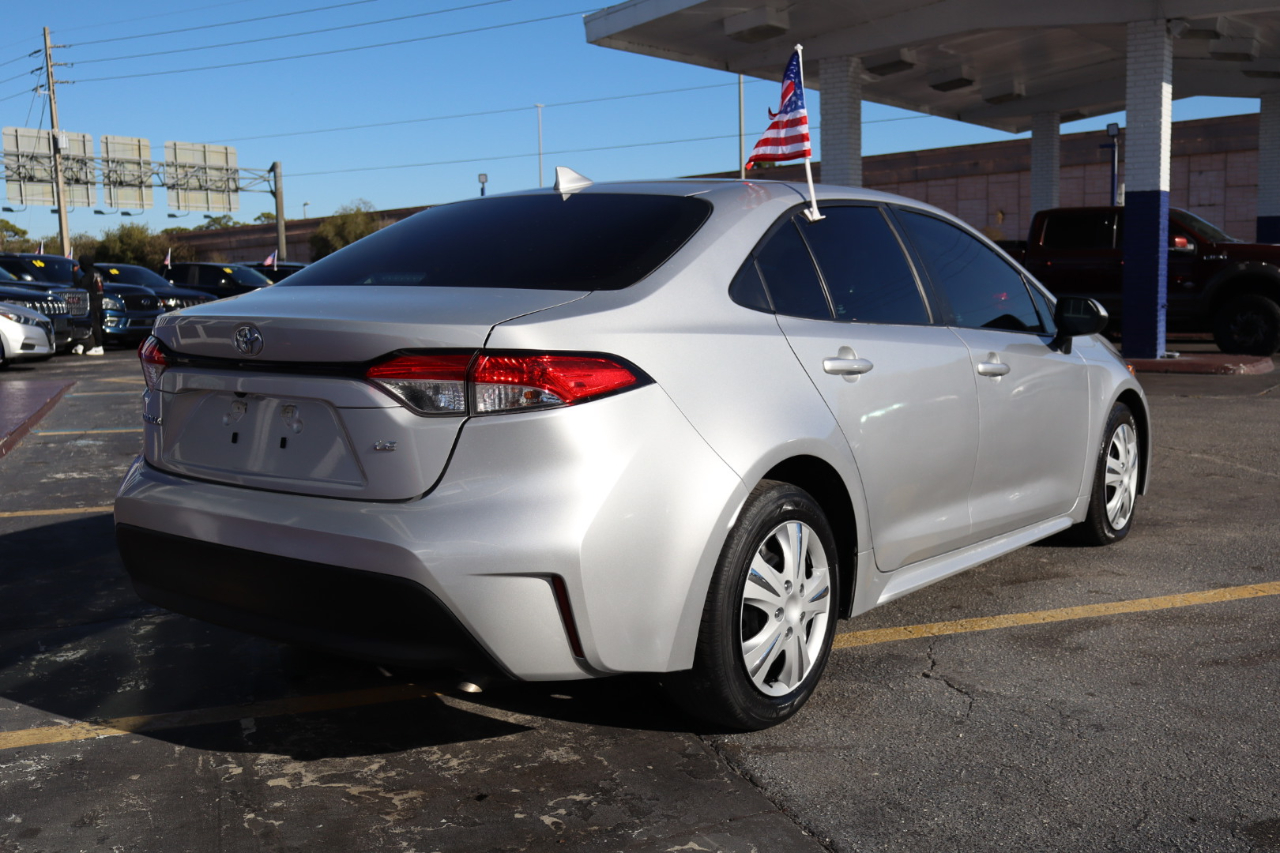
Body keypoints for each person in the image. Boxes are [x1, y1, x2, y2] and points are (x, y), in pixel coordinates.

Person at [76, 255, 105, 356]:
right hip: (99, 299)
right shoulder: (97, 272)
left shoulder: (89, 273)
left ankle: (99, 346)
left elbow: (80, 284)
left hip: (93, 301)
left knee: (94, 324)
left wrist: (74, 273)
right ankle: (91, 345)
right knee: (95, 324)